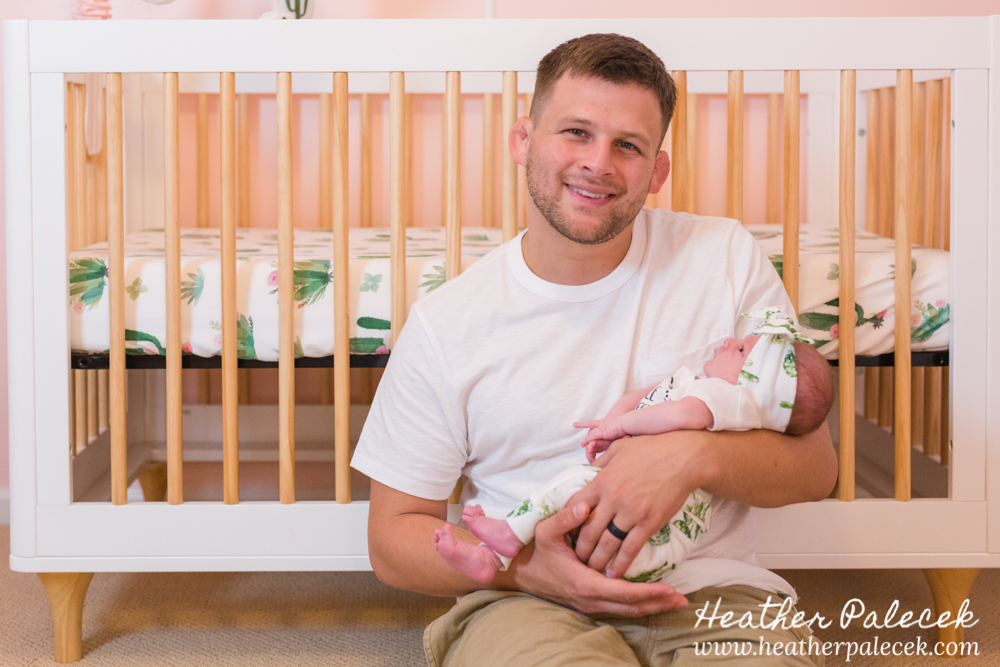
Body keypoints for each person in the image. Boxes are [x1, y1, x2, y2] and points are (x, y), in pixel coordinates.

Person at [351, 32, 837, 667]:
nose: (598, 163)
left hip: (715, 594)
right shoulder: (449, 322)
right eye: (576, 132)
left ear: (657, 171)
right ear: (522, 140)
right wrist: (526, 573)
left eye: (628, 145)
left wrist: (690, 457)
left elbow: (815, 468)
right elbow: (392, 540)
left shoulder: (724, 256)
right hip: (522, 602)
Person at [433, 309, 835, 586]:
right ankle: (495, 558)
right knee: (576, 502)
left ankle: (507, 535)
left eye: (743, 351)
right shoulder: (708, 389)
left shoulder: (724, 399)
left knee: (574, 483)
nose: (730, 342)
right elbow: (649, 397)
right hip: (645, 547)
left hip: (651, 542)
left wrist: (620, 424)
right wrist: (617, 420)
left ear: (758, 386)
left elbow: (679, 416)